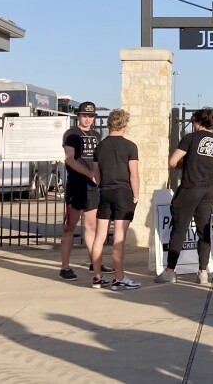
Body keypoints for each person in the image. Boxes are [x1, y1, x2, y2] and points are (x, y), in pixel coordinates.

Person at [156, 108, 213, 285]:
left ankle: (170, 270)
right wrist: (208, 172)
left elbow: (172, 162)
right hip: (208, 189)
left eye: (193, 122)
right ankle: (203, 271)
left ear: (198, 122)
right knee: (203, 230)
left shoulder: (190, 138)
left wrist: (184, 165)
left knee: (179, 229)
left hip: (190, 188)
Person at [90, 108, 141, 290]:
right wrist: (136, 195)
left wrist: (104, 185)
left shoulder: (100, 146)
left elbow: (96, 176)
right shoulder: (130, 146)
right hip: (122, 192)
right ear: (125, 125)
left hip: (104, 192)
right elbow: (133, 175)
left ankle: (97, 276)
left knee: (99, 236)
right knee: (119, 236)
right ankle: (118, 277)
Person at [60, 101, 105, 281]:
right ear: (78, 116)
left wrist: (99, 177)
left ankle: (95, 262)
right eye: (85, 116)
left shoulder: (96, 135)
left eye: (91, 116)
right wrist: (89, 174)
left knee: (91, 226)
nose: (88, 119)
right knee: (70, 227)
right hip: (76, 186)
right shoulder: (71, 134)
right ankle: (65, 267)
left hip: (93, 188)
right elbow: (69, 159)